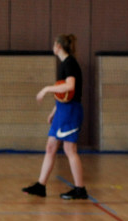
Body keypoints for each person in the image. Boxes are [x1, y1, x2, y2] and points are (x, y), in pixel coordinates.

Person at [23, 34, 88, 200]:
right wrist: (54, 111)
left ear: (58, 46)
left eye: (54, 44)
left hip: (70, 111)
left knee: (69, 149)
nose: (53, 46)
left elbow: (70, 86)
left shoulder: (70, 63)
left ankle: (80, 189)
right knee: (50, 147)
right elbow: (63, 94)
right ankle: (41, 186)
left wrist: (46, 89)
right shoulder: (64, 64)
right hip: (63, 110)